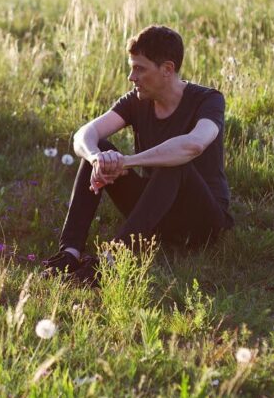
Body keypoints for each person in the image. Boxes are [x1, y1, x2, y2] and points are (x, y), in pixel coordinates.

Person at [42, 25, 232, 285]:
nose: (132, 77)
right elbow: (83, 135)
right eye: (131, 68)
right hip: (156, 212)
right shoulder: (137, 100)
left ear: (167, 69)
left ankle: (111, 261)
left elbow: (193, 146)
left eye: (140, 69)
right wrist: (98, 159)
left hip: (202, 221)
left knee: (174, 163)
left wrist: (128, 162)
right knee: (101, 150)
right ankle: (69, 253)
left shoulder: (208, 100)